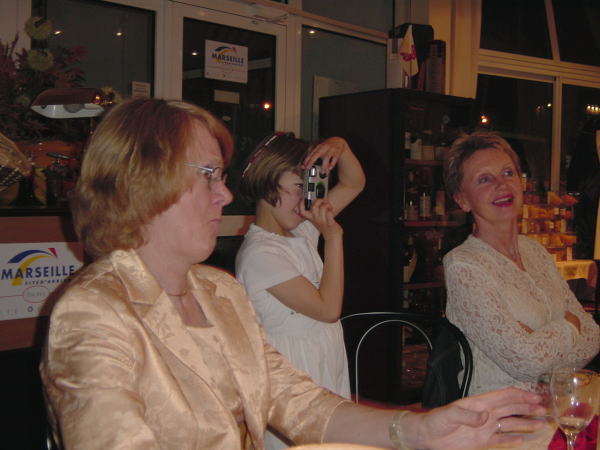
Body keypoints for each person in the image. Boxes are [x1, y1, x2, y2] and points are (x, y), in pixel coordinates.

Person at [41, 99, 545, 450]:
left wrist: (419, 430)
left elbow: (297, 402)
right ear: (143, 180)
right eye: (209, 176)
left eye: (222, 177)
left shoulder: (219, 291)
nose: (224, 195)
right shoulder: (94, 311)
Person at [443, 131, 600, 396]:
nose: (501, 185)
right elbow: (526, 363)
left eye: (508, 173)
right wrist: (569, 325)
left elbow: (593, 337)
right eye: (484, 179)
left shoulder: (535, 251)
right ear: (462, 199)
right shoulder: (464, 265)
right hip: (499, 412)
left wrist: (539, 340)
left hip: (555, 404)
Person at [235, 132, 364, 448]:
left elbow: (354, 183)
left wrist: (341, 146)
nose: (307, 199)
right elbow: (328, 309)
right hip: (294, 373)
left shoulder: (300, 230)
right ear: (267, 182)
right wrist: (333, 238)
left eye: (310, 187)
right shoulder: (260, 254)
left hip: (323, 359)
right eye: (298, 187)